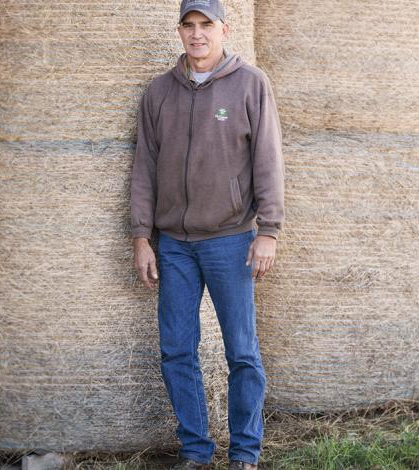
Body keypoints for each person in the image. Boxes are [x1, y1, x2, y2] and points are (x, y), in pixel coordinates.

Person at [129, 0, 284, 468]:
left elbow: (268, 161)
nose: (197, 34)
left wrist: (269, 231)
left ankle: (245, 454)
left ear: (224, 30)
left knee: (241, 352)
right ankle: (196, 452)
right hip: (174, 244)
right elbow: (144, 169)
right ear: (179, 32)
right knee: (176, 350)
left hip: (231, 239)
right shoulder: (158, 93)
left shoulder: (251, 85)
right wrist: (141, 236)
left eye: (206, 25)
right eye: (188, 26)